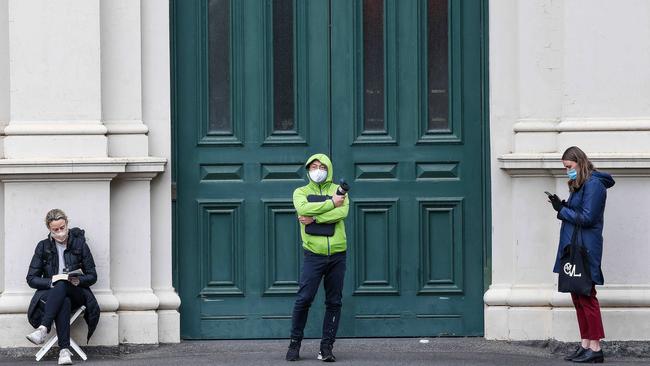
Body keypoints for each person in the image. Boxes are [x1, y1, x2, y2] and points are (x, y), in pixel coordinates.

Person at [548, 146, 614, 364]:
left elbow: (588, 217)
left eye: (569, 167)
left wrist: (561, 211)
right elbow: (579, 211)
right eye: (565, 168)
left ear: (579, 162)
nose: (567, 171)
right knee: (577, 295)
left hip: (585, 248)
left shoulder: (594, 184)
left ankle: (595, 347)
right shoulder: (581, 183)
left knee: (587, 296)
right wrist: (563, 205)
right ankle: (585, 343)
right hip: (574, 246)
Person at [286, 153, 349, 362]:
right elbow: (302, 208)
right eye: (314, 166)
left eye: (322, 166)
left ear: (329, 168)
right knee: (304, 299)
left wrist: (313, 218)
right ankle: (294, 344)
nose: (318, 169)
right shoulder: (300, 192)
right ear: (308, 169)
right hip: (313, 254)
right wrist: (332, 203)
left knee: (334, 301)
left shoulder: (338, 190)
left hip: (338, 254)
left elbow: (343, 212)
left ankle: (326, 347)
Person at [25, 209, 100, 365]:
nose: (60, 232)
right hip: (53, 294)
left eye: (62, 228)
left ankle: (43, 328)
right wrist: (50, 281)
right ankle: (64, 351)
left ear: (67, 224)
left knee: (64, 286)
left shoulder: (80, 244)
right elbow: (31, 279)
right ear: (49, 229)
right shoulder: (43, 246)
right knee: (62, 297)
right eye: (55, 230)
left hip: (76, 292)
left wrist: (79, 281)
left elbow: (93, 276)